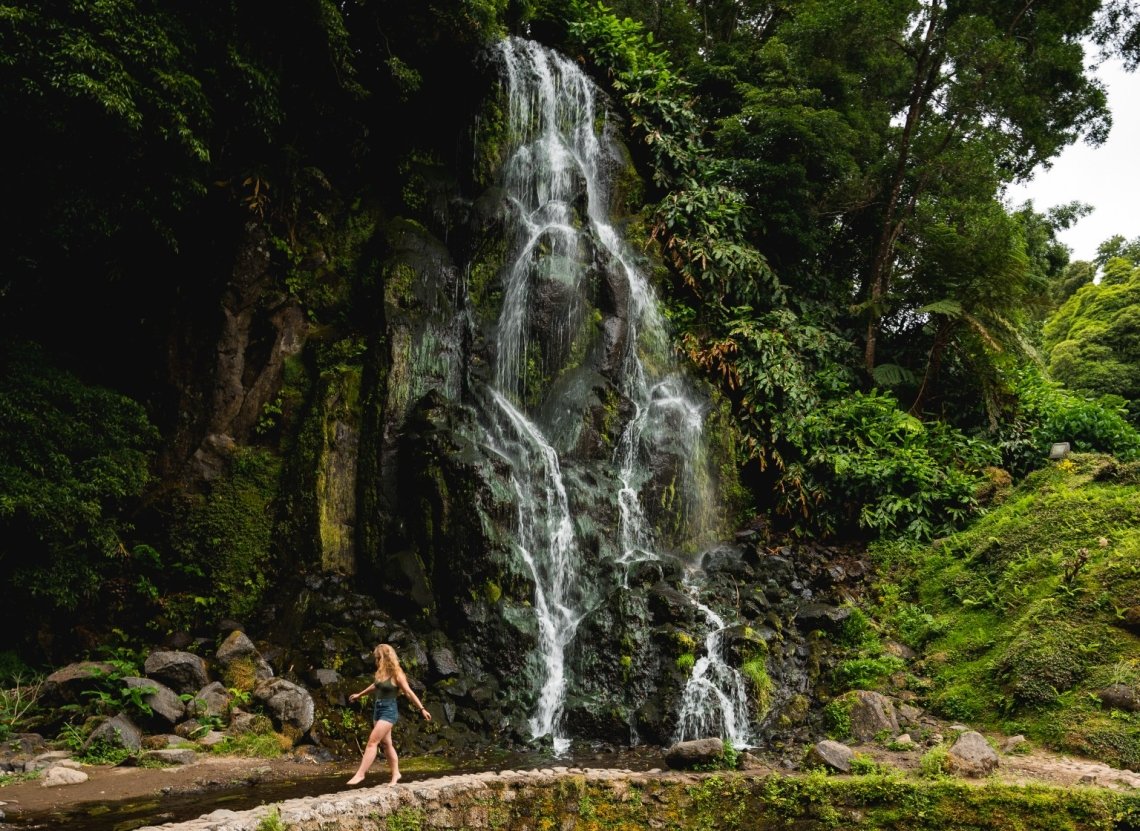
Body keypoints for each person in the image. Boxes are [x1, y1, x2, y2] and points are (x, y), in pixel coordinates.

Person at [346, 643, 431, 786]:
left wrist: (422, 708)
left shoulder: (397, 674)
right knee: (386, 744)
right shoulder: (379, 672)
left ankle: (360, 774)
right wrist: (359, 695)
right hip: (377, 710)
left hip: (389, 711)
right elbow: (375, 686)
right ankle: (396, 773)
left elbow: (408, 692)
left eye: (378, 657)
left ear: (385, 657)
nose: (376, 660)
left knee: (373, 742)